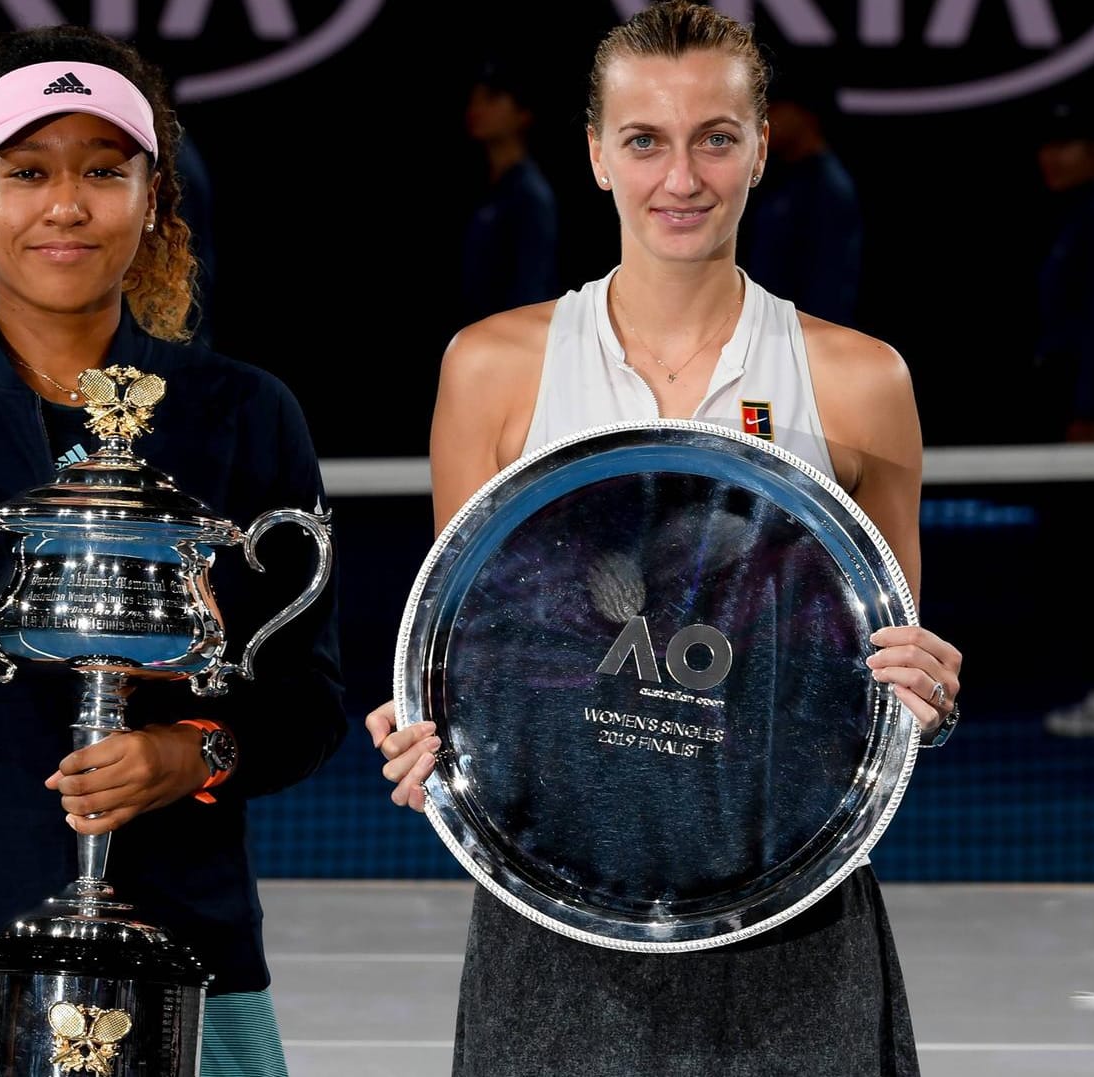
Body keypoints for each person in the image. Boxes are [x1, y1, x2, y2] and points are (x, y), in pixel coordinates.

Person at [365, 4, 963, 1073]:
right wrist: (429, 730)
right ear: (596, 154)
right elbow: (473, 648)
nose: (679, 179)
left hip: (788, 904)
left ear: (761, 147)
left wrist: (929, 692)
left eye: (714, 139)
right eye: (645, 140)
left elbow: (879, 689)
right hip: (560, 912)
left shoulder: (864, 382)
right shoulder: (491, 370)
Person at [0, 25, 344, 1077]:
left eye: (104, 171)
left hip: (193, 967)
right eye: (27, 171)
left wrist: (196, 755)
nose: (66, 206)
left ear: (155, 200)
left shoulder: (245, 416)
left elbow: (305, 702)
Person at [1027, 100, 1094, 444]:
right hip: (1060, 389)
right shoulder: (1066, 220)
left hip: (1083, 398)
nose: (1051, 158)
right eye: (1047, 146)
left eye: (1064, 146)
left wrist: (1088, 409)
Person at [738, 71, 862, 325]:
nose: (769, 117)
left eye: (777, 108)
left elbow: (829, 279)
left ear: (805, 114)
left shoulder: (828, 187)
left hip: (798, 340)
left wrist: (817, 345)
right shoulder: (779, 176)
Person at [459, 55, 559, 325]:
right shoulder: (482, 186)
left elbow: (532, 287)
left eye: (491, 98)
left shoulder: (530, 194)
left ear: (523, 113)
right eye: (474, 98)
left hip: (505, 347)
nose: (476, 108)